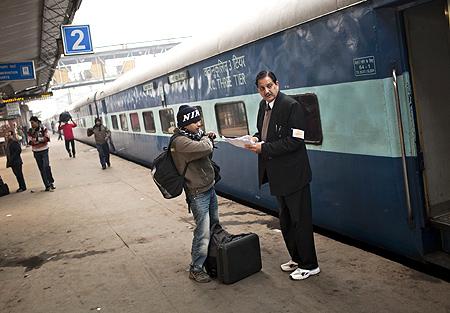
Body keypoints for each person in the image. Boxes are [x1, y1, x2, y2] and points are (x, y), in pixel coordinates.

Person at [245, 71, 319, 280]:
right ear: (258, 90)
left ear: (277, 84)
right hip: (277, 175)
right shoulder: (263, 107)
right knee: (286, 221)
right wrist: (255, 138)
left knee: (300, 221)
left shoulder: (291, 106)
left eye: (269, 86)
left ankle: (310, 264)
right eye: (262, 88)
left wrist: (264, 148)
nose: (266, 91)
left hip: (295, 175)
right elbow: (265, 133)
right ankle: (297, 258)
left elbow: (296, 141)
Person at [171, 105, 219, 283]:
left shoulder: (194, 136)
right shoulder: (180, 142)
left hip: (209, 187)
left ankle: (213, 259)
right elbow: (205, 148)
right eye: (194, 121)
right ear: (185, 123)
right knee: (203, 231)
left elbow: (205, 148)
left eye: (199, 120)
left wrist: (206, 138)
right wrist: (207, 138)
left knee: (214, 226)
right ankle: (196, 268)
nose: (199, 124)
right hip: (198, 193)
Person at [28, 116, 55, 192]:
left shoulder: (43, 128)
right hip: (36, 152)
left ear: (37, 122)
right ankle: (47, 185)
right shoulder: (30, 131)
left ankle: (51, 182)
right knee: (41, 169)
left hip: (44, 150)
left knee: (46, 166)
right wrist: (40, 140)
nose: (32, 124)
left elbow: (47, 138)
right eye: (31, 123)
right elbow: (30, 142)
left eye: (32, 123)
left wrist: (36, 140)